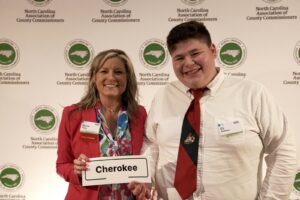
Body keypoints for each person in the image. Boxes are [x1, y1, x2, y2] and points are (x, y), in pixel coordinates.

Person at [132, 21, 297, 200]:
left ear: (213, 50)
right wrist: (144, 176)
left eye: (195, 53)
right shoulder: (164, 96)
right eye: (179, 58)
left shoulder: (252, 94)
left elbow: (282, 150)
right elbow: (152, 143)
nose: (188, 63)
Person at [56, 49, 148, 200]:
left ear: (127, 78)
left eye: (118, 72)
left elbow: (147, 159)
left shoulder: (139, 114)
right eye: (104, 71)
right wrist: (76, 170)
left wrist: (144, 183)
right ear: (94, 77)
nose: (111, 77)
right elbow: (62, 165)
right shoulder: (73, 115)